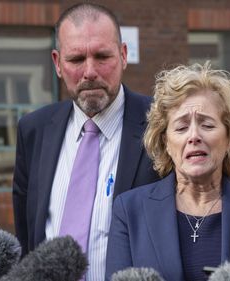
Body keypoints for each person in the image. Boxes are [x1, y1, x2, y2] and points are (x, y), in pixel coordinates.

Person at [12, 3, 159, 281]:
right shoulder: (33, 131)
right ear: (57, 63)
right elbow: (26, 238)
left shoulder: (162, 126)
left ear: (123, 55)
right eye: (76, 60)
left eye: (102, 56)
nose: (90, 71)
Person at [105, 63, 230, 281]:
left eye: (207, 125)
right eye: (181, 128)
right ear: (166, 143)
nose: (194, 136)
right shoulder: (130, 210)